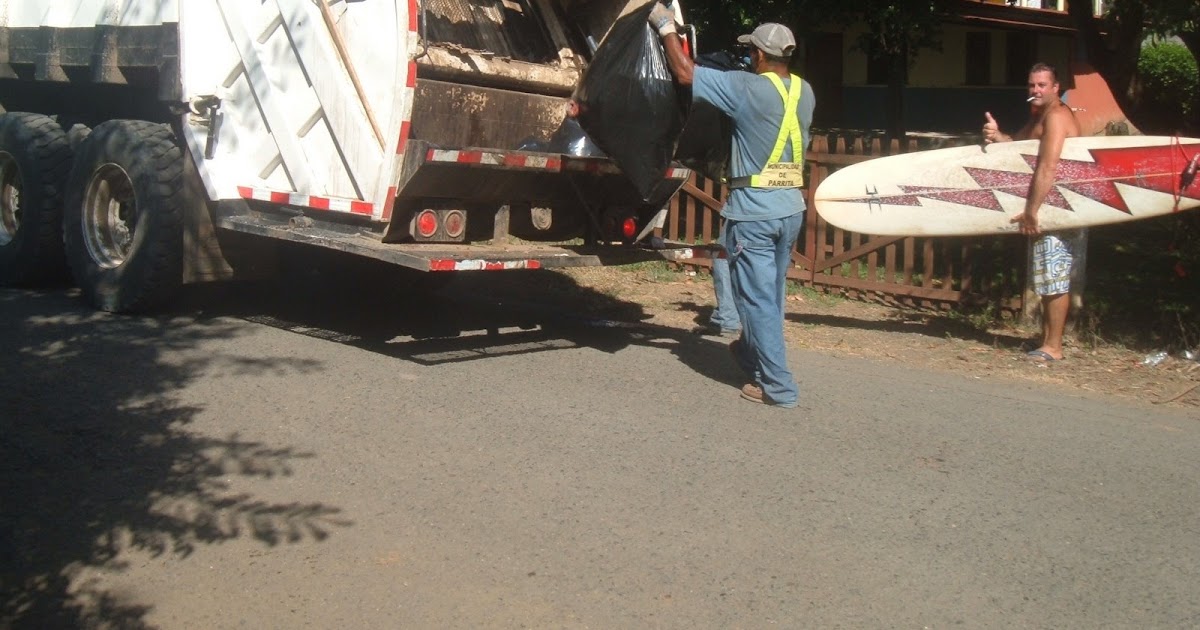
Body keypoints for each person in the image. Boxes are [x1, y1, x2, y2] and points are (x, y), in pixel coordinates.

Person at [649, 5, 815, 407]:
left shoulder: (746, 88)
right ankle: (749, 354)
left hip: (754, 212)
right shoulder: (804, 90)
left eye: (751, 52)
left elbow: (685, 73)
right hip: (790, 207)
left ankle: (778, 387)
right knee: (770, 296)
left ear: (758, 54)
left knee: (755, 301)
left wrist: (666, 27)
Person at [982, 62, 1082, 362]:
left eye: (1042, 85)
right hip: (1049, 205)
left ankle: (1054, 347)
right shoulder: (1040, 116)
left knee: (1055, 276)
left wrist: (1031, 211)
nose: (1035, 90)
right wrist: (997, 135)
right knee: (1047, 275)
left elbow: (1048, 166)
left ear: (1056, 88)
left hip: (1058, 206)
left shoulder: (1058, 117)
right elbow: (1017, 145)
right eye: (1031, 85)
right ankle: (1047, 341)